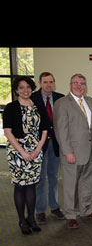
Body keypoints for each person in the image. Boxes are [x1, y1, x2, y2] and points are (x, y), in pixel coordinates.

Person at [53, 74, 92, 229]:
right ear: (70, 85)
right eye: (76, 83)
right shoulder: (62, 103)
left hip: (91, 150)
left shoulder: (90, 102)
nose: (79, 86)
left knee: (87, 182)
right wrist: (67, 151)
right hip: (73, 152)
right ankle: (70, 214)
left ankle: (86, 209)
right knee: (71, 184)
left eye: (82, 83)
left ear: (86, 86)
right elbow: (61, 130)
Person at [3, 76, 49, 235]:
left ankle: (31, 218)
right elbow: (7, 132)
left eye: (28, 87)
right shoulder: (11, 107)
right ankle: (21, 220)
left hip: (36, 150)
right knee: (20, 186)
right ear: (16, 90)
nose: (25, 90)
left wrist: (37, 150)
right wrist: (22, 151)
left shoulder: (38, 106)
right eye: (21, 87)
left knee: (32, 185)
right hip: (17, 151)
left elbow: (45, 129)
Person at [30, 72, 65, 224]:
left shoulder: (60, 98)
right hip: (39, 145)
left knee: (53, 178)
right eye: (45, 82)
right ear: (40, 83)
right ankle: (40, 210)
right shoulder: (32, 99)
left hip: (56, 145)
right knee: (39, 179)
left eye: (51, 82)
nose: (48, 85)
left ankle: (55, 206)